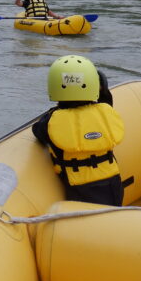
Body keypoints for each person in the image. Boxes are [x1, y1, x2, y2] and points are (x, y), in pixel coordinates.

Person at [32, 55, 125, 206]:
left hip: (81, 191)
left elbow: (37, 131)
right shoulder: (105, 111)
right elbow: (105, 104)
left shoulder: (50, 122)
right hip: (114, 184)